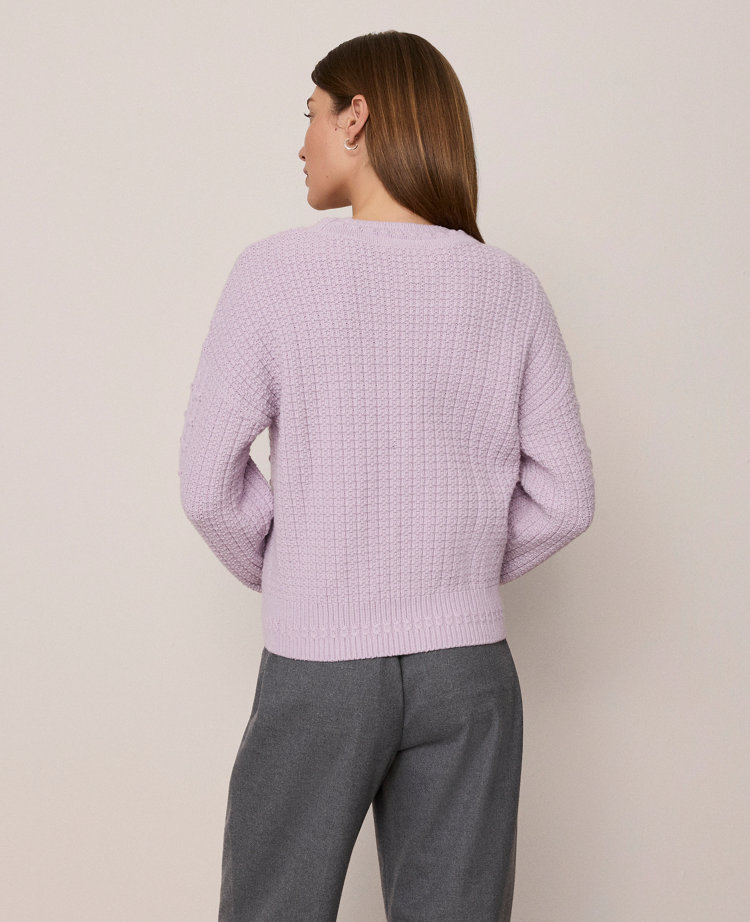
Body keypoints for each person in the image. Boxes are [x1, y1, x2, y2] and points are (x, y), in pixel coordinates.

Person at [178, 29, 595, 922]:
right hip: (469, 671)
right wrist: (452, 567)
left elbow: (208, 484)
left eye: (311, 115)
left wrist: (300, 566)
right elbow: (566, 499)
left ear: (356, 117)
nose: (301, 143)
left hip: (318, 669)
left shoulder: (275, 273)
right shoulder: (511, 287)